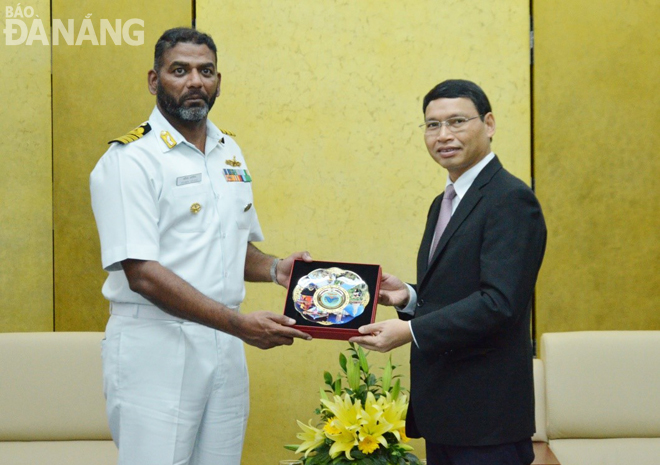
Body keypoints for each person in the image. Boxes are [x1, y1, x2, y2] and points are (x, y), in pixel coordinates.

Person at [90, 27, 312, 465]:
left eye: (205, 71)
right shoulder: (129, 161)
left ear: (218, 81)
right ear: (155, 80)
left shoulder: (230, 151)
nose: (195, 81)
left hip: (225, 344)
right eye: (180, 70)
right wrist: (239, 324)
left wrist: (275, 269)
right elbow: (142, 274)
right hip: (155, 342)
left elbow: (231, 245)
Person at [350, 79, 547, 465]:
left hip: (488, 419)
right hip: (444, 412)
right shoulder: (444, 201)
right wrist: (409, 297)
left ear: (488, 124)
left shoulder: (510, 199)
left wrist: (410, 331)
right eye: (432, 125)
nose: (444, 135)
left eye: (457, 122)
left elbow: (499, 303)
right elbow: (457, 292)